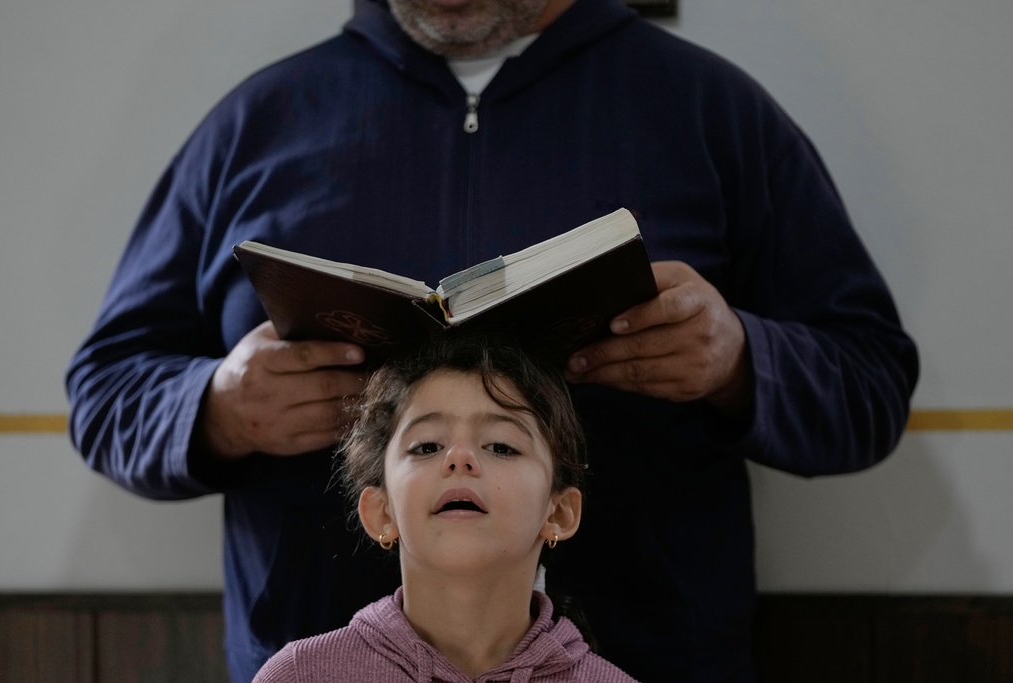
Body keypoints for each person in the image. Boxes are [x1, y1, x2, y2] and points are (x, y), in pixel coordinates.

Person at [65, 0, 920, 680]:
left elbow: (871, 382)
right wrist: (216, 407)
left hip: (651, 661)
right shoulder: (254, 125)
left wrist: (742, 359)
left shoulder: (713, 110)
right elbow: (105, 391)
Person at [252, 332, 638, 682]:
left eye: (501, 446)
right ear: (381, 513)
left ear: (559, 513)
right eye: (427, 447)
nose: (459, 458)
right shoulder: (299, 676)